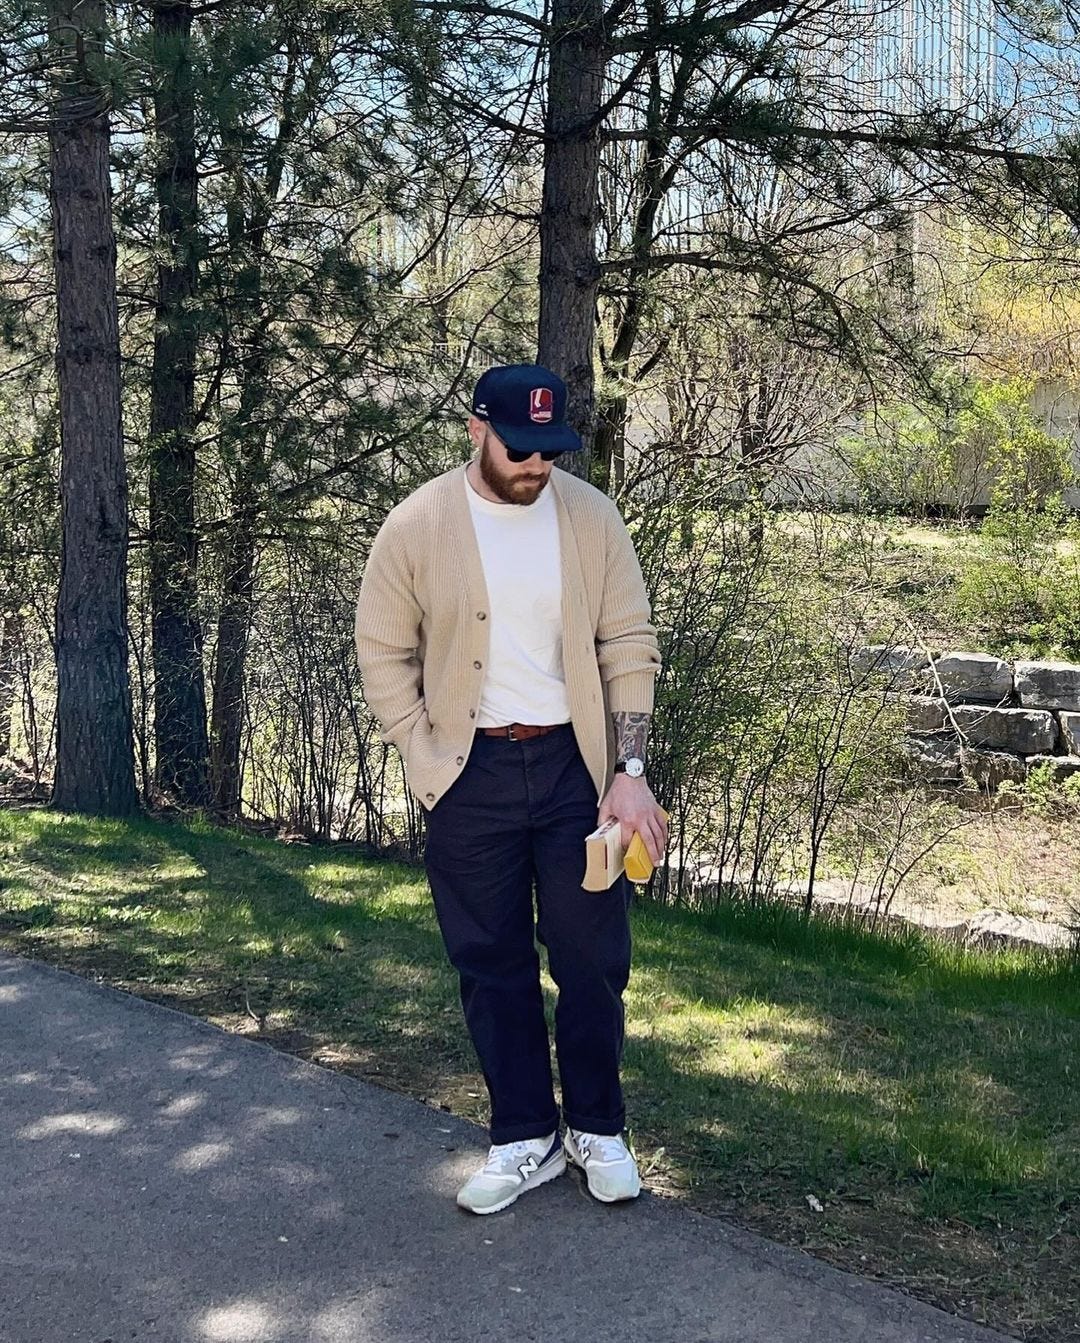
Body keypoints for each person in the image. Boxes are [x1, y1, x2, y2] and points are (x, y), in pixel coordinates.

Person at [354, 363, 667, 1215]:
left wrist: (630, 775)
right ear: (475, 429)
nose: (535, 466)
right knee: (490, 962)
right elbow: (383, 652)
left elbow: (628, 644)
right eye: (519, 449)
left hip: (576, 771)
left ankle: (597, 1126)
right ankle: (522, 1133)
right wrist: (423, 753)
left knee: (591, 959)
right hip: (468, 775)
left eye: (549, 450)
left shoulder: (591, 518)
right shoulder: (418, 525)